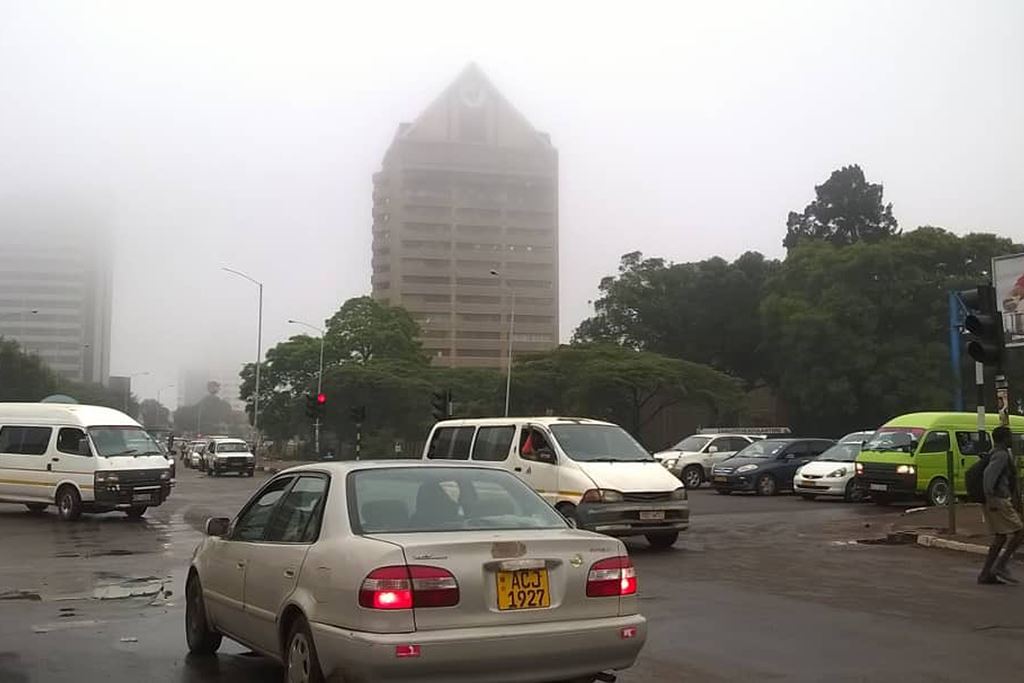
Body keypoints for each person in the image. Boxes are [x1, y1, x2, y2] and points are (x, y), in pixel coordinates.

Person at [979, 426, 1024, 585]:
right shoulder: (1001, 455)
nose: (1012, 439)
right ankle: (1001, 565)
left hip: (996, 500)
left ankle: (985, 574)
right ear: (1004, 439)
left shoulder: (996, 453)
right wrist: (992, 500)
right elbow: (988, 478)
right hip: (998, 500)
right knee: (1019, 533)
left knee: (1000, 537)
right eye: (1010, 436)